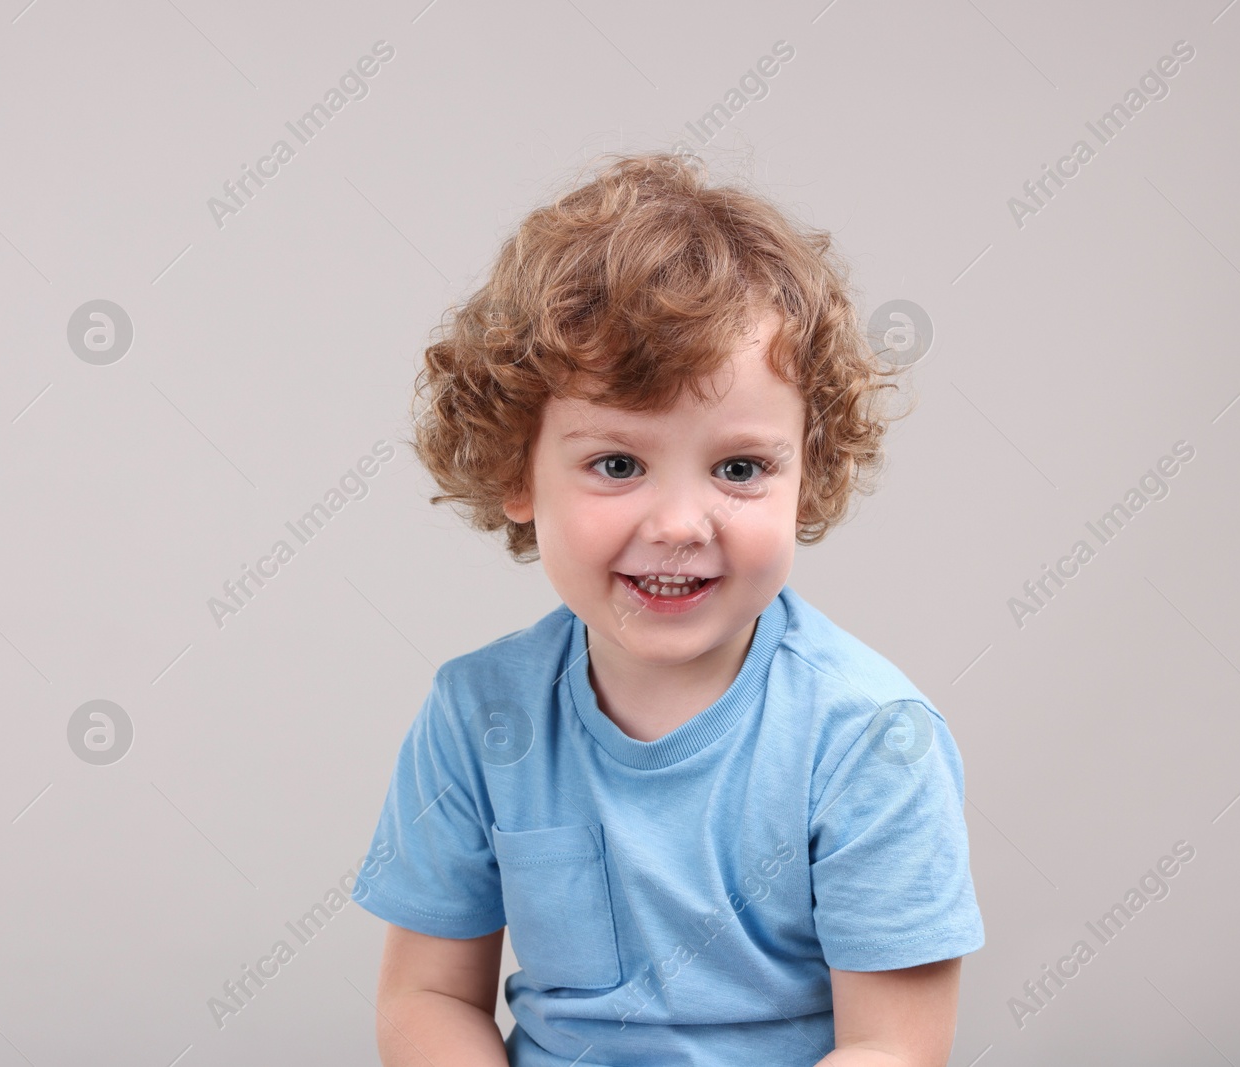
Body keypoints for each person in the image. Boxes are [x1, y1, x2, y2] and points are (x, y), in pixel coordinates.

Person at [351, 151, 985, 1066]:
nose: (682, 524)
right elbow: (427, 995)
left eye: (739, 468)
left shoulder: (872, 739)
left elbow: (894, 1045)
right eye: (617, 464)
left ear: (808, 472)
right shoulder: (478, 715)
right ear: (516, 472)